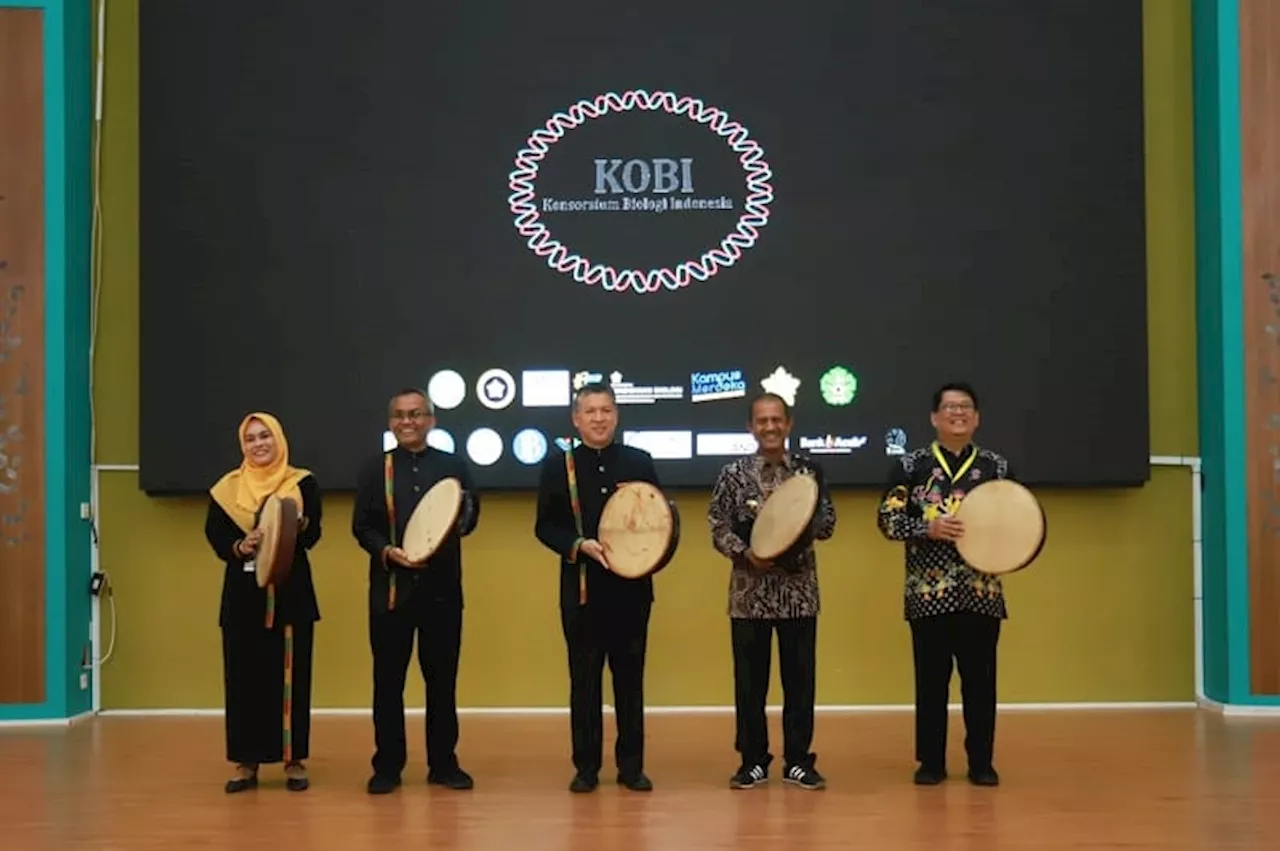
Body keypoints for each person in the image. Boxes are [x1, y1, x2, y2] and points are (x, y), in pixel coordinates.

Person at [876, 381, 1012, 787]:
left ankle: (982, 762)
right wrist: (927, 527)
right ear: (934, 417)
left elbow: (1016, 522)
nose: (958, 413)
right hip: (927, 594)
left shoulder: (997, 468)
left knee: (981, 683)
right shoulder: (909, 466)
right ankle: (930, 761)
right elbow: (887, 520)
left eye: (966, 406)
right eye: (950, 407)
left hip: (981, 593)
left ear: (977, 417)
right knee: (931, 682)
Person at [534, 382, 662, 793]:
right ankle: (586, 767)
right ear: (576, 419)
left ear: (617, 415)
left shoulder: (639, 462)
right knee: (584, 682)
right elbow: (545, 526)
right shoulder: (559, 466)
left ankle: (631, 767)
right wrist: (578, 546)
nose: (599, 418)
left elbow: (659, 519)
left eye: (606, 410)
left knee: (630, 681)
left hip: (632, 591)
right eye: (590, 411)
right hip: (582, 592)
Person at [352, 387, 481, 795]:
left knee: (442, 682)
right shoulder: (375, 470)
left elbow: (469, 518)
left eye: (417, 414)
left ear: (431, 420)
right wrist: (388, 551)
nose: (408, 422)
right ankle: (387, 766)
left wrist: (460, 517)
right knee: (387, 682)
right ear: (390, 423)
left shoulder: (453, 466)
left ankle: (444, 763)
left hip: (442, 593)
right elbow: (362, 527)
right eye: (400, 416)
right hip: (390, 591)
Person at [707, 392, 836, 791]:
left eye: (777, 419)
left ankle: (798, 760)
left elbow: (828, 523)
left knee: (800, 683)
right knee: (750, 685)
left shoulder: (809, 472)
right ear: (750, 427)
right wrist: (748, 552)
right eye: (762, 421)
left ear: (789, 423)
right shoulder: (733, 475)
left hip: (799, 595)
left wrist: (792, 533)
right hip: (749, 596)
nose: (770, 427)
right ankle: (752, 761)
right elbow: (717, 526)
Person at [204, 412, 323, 794]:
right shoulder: (225, 489)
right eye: (251, 439)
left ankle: (293, 760)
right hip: (243, 598)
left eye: (265, 436)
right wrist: (241, 546)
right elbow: (216, 536)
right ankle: (245, 763)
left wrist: (293, 526)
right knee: (243, 680)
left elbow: (314, 532)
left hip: (290, 594)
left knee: (291, 677)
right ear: (243, 445)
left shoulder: (301, 483)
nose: (259, 444)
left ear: (279, 439)